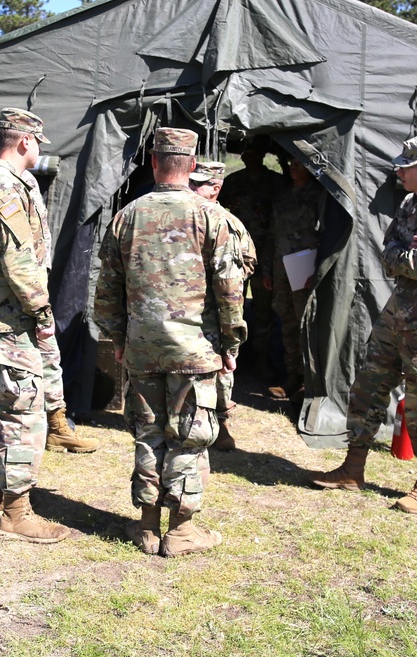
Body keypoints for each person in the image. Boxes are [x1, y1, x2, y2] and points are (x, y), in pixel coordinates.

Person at [95, 129, 247, 557]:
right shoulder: (212, 217)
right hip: (196, 350)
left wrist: (119, 339)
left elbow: (106, 288)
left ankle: (146, 527)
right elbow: (231, 289)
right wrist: (231, 345)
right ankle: (180, 532)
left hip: (142, 347)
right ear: (191, 166)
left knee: (148, 434)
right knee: (189, 437)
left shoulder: (127, 215)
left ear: (155, 164)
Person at [309, 134, 417, 514]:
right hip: (397, 311)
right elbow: (388, 255)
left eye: (406, 166)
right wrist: (404, 249)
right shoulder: (408, 202)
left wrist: (405, 251)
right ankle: (353, 469)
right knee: (367, 386)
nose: (398, 171)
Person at [0, 108, 73, 543]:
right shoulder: (4, 186)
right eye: (38, 142)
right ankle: (15, 514)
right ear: (24, 141)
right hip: (7, 318)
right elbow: (19, 261)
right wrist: (42, 316)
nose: (39, 150)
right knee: (21, 411)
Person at [189, 161, 257, 452]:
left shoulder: (229, 222)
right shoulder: (185, 215)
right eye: (190, 182)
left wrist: (224, 277)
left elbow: (249, 260)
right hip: (190, 311)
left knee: (221, 368)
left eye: (198, 184)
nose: (191, 188)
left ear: (215, 188)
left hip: (216, 309)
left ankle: (223, 422)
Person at [219, 143, 286, 383]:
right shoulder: (234, 181)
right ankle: (233, 356)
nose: (250, 157)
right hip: (236, 254)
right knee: (231, 305)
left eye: (254, 152)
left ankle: (262, 359)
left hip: (265, 254)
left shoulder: (275, 182)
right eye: (246, 153)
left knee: (263, 309)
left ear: (262, 154)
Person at [266, 157, 325, 401]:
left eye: (300, 163)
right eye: (291, 162)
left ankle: (309, 381)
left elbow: (327, 235)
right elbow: (272, 234)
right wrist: (268, 270)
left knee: (306, 325)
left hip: (306, 269)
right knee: (288, 322)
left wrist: (318, 269)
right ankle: (293, 378)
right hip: (282, 268)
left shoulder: (320, 196)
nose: (293, 166)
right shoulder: (282, 196)